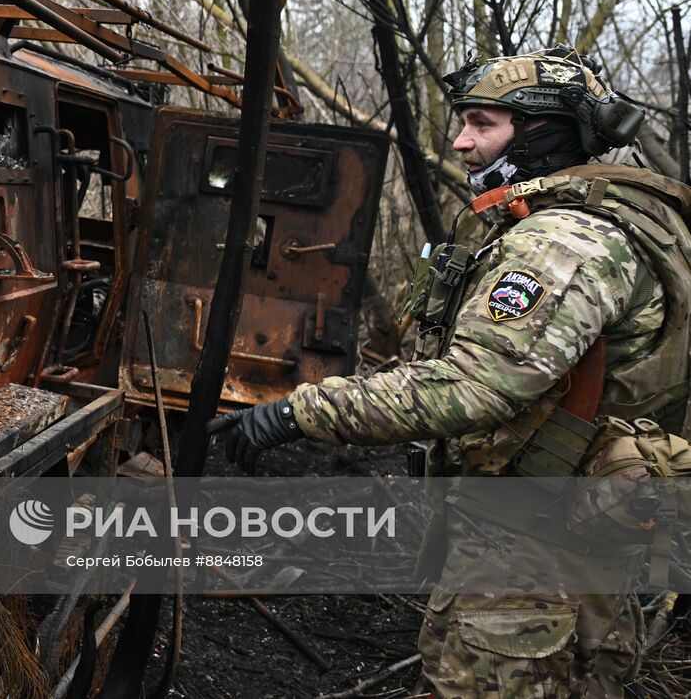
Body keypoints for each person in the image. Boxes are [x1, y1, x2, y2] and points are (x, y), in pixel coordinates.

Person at [212, 47, 691, 697]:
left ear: (548, 132)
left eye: (483, 123)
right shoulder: (593, 222)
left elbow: (474, 386)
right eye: (463, 121)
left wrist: (298, 412)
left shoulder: (566, 243)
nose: (462, 141)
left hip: (533, 561)